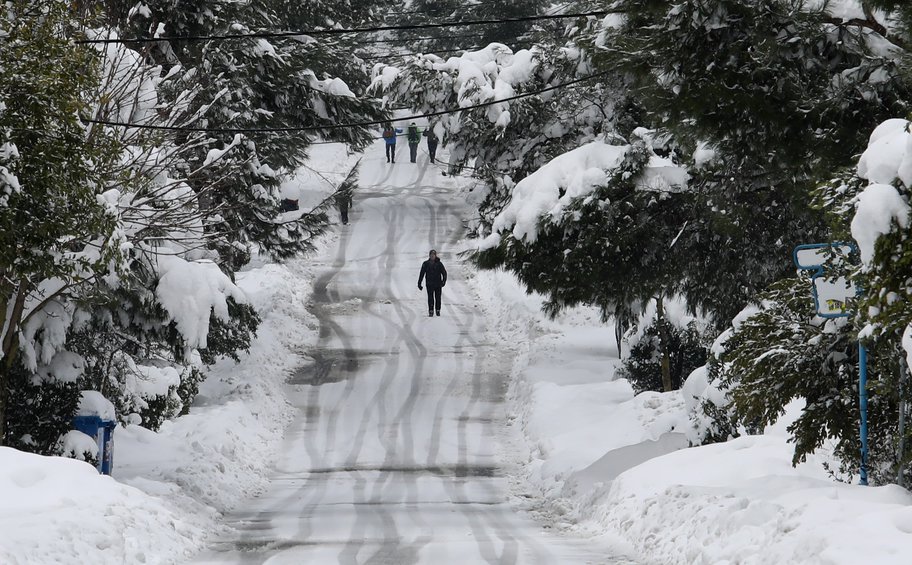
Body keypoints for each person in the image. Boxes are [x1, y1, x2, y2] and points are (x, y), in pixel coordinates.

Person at [417, 249, 447, 317]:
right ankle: (431, 310)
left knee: (438, 297)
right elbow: (422, 273)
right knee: (430, 298)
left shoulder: (439, 264)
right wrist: (419, 283)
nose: (432, 256)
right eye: (431, 255)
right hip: (429, 284)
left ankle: (438, 310)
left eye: (433, 255)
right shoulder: (425, 264)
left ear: (435, 256)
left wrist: (443, 281)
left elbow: (444, 273)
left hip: (438, 284)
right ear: (429, 256)